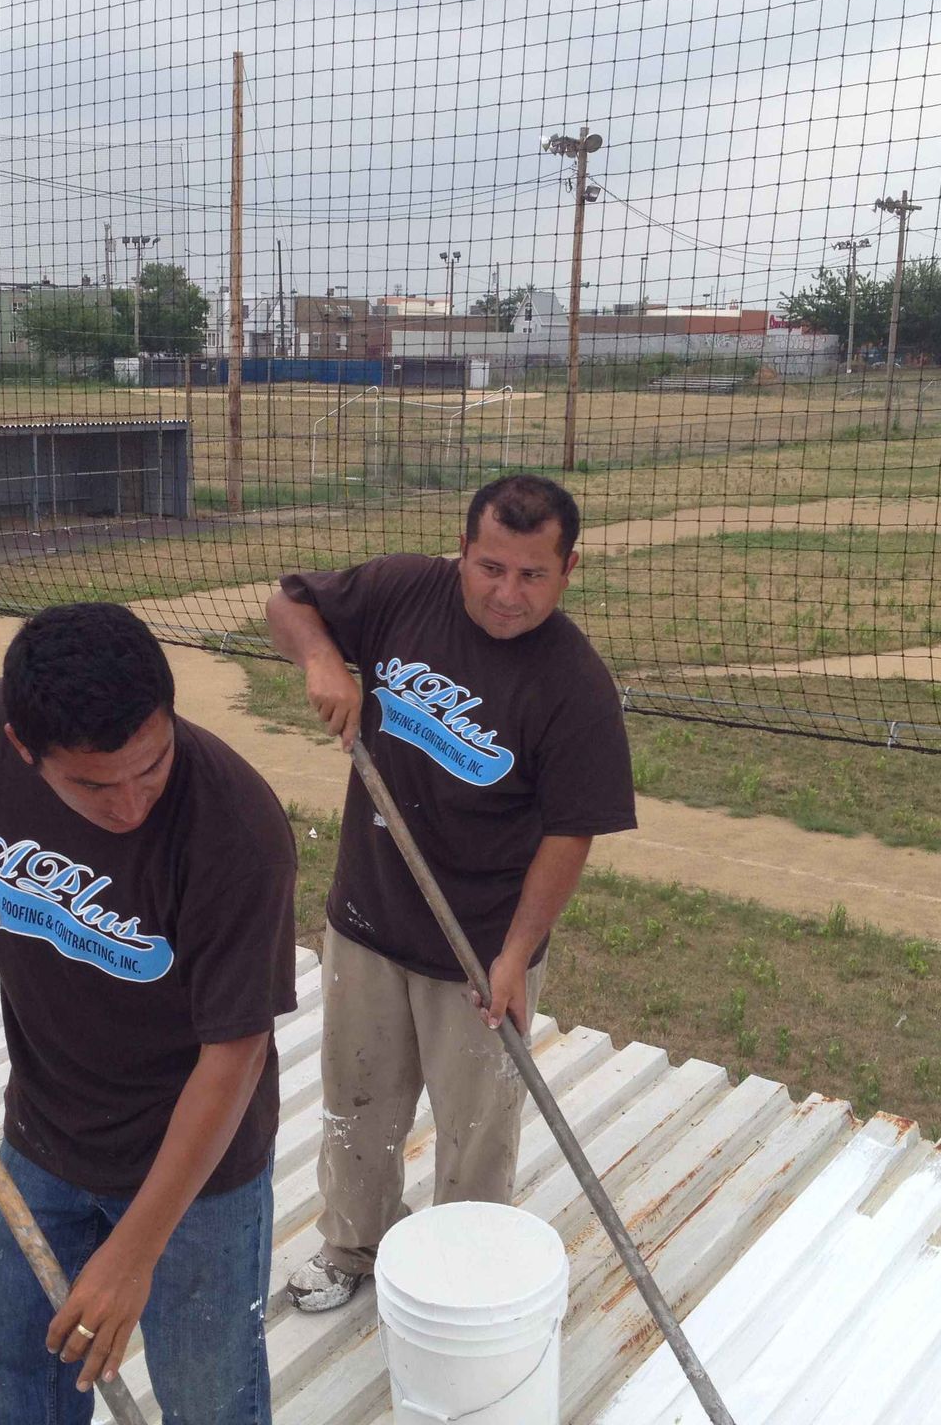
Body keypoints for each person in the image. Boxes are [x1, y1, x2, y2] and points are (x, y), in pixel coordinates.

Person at [0, 602, 296, 1423]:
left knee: (209, 1401)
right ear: (23, 750)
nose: (129, 806)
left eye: (149, 767)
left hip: (195, 1178)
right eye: (91, 784)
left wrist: (135, 1250)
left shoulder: (236, 827)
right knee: (19, 1371)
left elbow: (235, 1056)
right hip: (44, 1136)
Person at [267, 473, 636, 1312]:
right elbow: (288, 604)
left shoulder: (575, 686)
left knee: (477, 1131)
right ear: (463, 551)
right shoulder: (404, 590)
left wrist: (514, 955)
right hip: (367, 917)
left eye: (533, 575)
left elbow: (568, 834)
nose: (509, 594)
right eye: (491, 567)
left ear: (569, 568)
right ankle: (351, 1245)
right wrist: (325, 657)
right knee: (356, 1100)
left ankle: (463, 1272)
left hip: (479, 948)